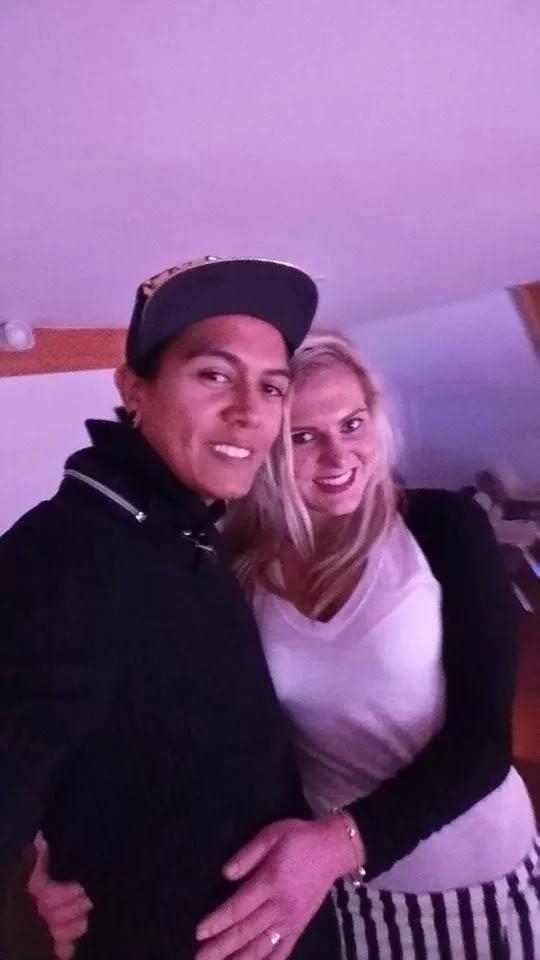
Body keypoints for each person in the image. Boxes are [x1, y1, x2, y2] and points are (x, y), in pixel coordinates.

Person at [32, 330, 540, 958]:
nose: (338, 455)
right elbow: (133, 711)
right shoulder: (231, 562)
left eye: (352, 424)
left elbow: (483, 742)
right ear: (269, 444)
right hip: (322, 894)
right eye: (304, 436)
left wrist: (338, 845)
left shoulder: (441, 526)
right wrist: (54, 852)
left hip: (467, 875)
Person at [0, 260, 357, 960]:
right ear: (134, 389)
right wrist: (21, 899)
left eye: (271, 386)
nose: (249, 411)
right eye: (214, 375)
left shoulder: (183, 529)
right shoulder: (62, 556)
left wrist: (39, 850)